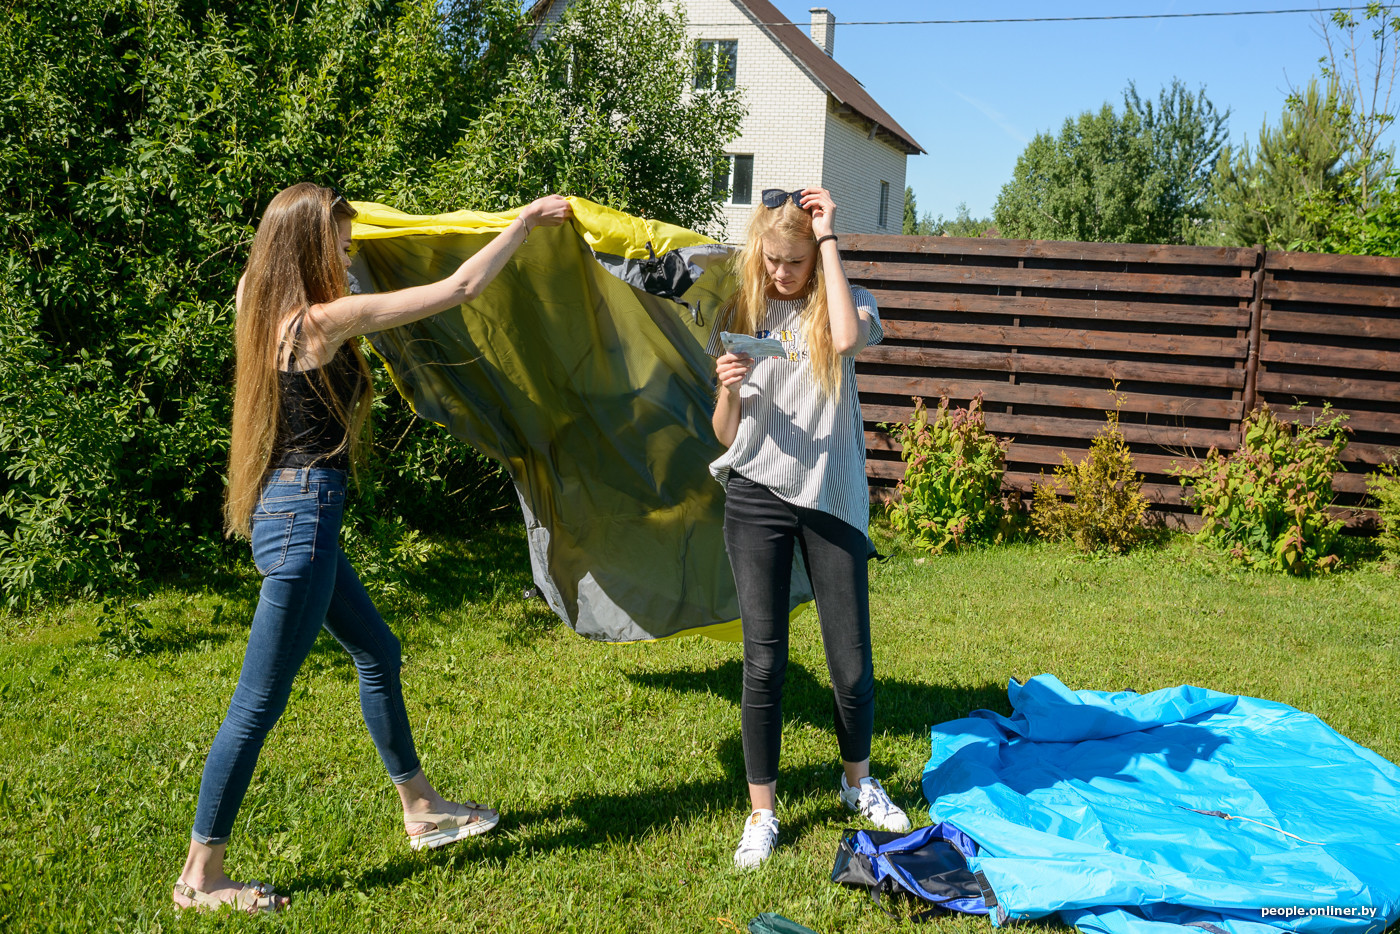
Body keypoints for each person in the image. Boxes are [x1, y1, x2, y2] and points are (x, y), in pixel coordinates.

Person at [172, 183, 573, 913]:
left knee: (378, 652)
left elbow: (271, 259)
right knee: (256, 705)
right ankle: (201, 876)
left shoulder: (256, 307)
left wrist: (338, 230)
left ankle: (419, 806)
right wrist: (524, 222)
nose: (352, 256)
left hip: (286, 513)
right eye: (342, 245)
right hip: (304, 526)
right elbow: (460, 286)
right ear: (309, 251)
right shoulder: (322, 321)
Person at [709, 186, 910, 870]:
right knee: (764, 662)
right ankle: (762, 812)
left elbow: (849, 339)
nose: (781, 274)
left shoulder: (844, 303)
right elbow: (725, 432)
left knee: (850, 667)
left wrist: (827, 237)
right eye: (771, 260)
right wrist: (729, 387)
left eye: (792, 261)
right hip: (756, 493)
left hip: (832, 497)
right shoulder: (745, 312)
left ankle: (857, 782)